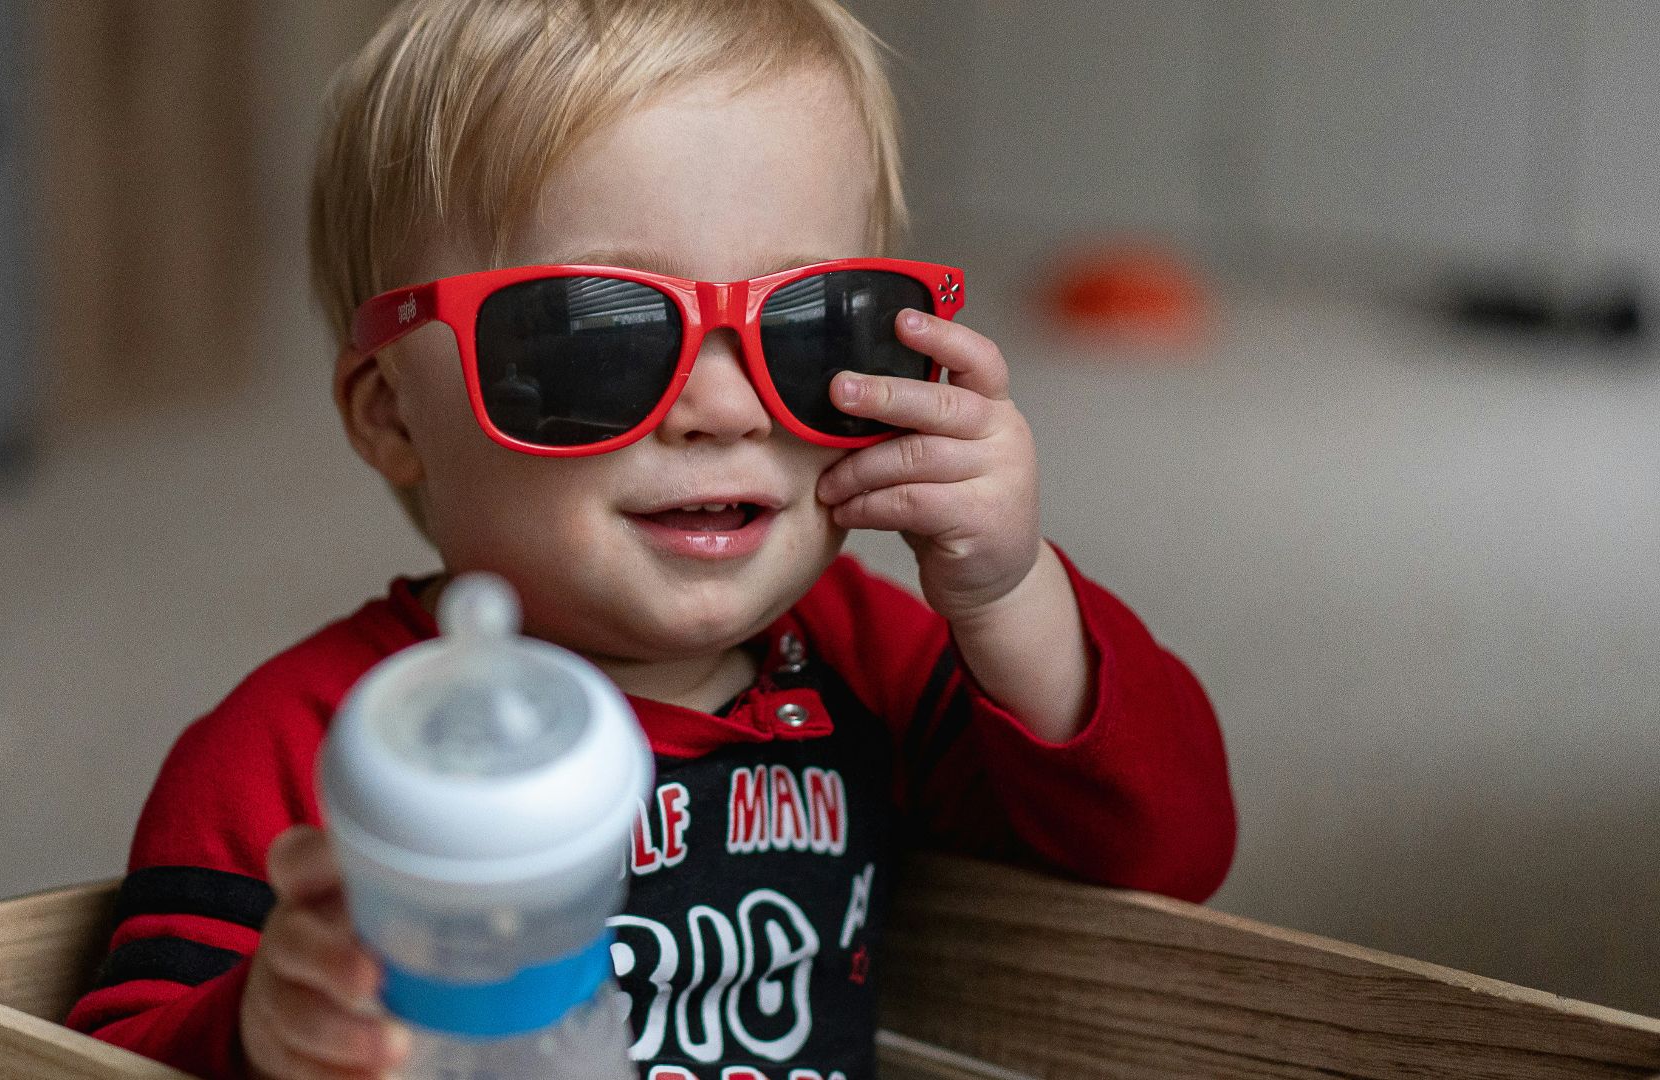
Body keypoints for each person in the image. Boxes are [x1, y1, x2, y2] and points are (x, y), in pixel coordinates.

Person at [64, 2, 1237, 1078]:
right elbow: (96, 1049)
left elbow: (1171, 858)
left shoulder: (873, 668)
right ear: (391, 412)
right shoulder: (308, 751)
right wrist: (261, 1031)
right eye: (599, 337)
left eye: (812, 328)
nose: (724, 410)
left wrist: (1010, 592)